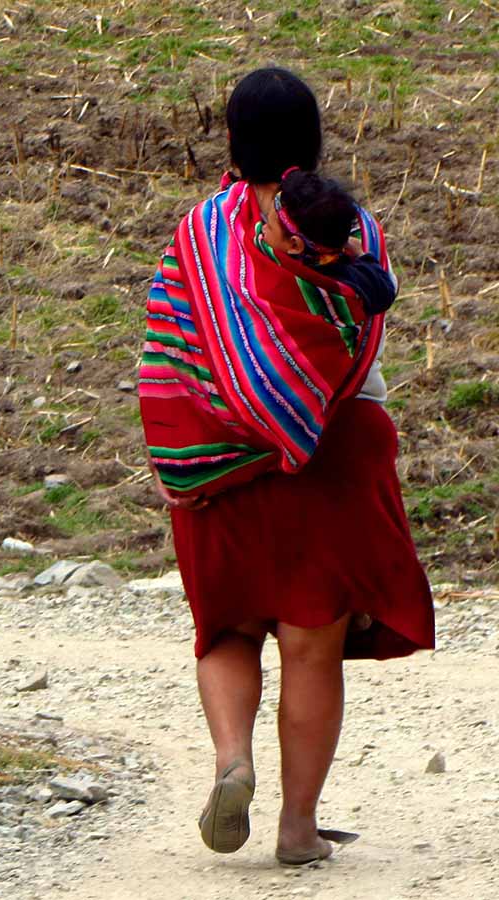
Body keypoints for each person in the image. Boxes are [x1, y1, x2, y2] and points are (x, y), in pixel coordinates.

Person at [138, 67, 435, 866]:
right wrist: (299, 410)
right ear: (314, 139)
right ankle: (298, 830)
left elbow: (170, 354)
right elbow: (360, 327)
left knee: (228, 630)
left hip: (223, 460)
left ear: (232, 141)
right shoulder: (351, 226)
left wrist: (181, 450)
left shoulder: (201, 231)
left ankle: (232, 761)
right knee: (312, 647)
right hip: (335, 455)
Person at [263, 167, 397, 315]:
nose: (261, 229)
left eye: (269, 226)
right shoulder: (354, 280)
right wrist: (361, 254)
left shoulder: (273, 276)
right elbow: (385, 290)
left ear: (295, 245)